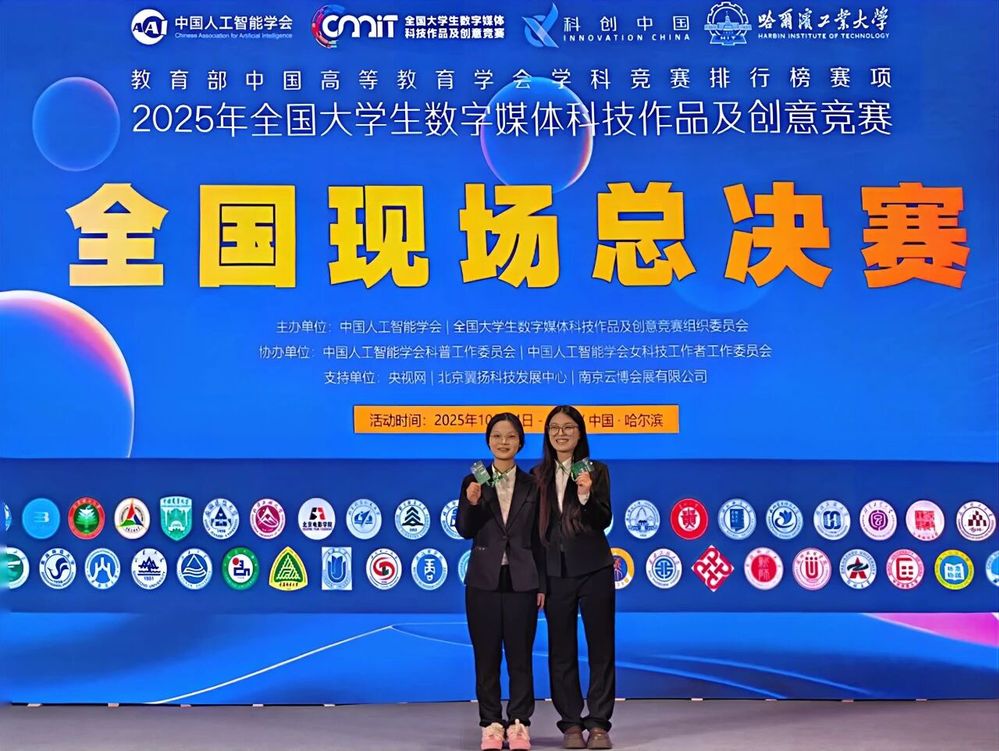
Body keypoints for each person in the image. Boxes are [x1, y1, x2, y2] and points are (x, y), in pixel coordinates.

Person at [457, 412, 546, 751]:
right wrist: (471, 503)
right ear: (488, 441)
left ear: (520, 442)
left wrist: (542, 585)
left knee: (521, 656)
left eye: (510, 436)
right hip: (483, 581)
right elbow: (464, 529)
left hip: (523, 579)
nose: (503, 442)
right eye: (497, 436)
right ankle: (491, 723)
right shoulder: (474, 481)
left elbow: (540, 538)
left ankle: (520, 722)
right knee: (487, 656)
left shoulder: (533, 484)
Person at [533, 406, 616, 750]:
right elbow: (534, 535)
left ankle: (598, 723)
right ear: (547, 434)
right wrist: (539, 582)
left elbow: (602, 519)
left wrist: (585, 496)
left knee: (601, 648)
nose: (561, 433)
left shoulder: (596, 470)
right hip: (556, 574)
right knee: (561, 650)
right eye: (555, 428)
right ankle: (570, 722)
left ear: (580, 433)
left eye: (568, 427)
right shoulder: (537, 475)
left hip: (595, 568)